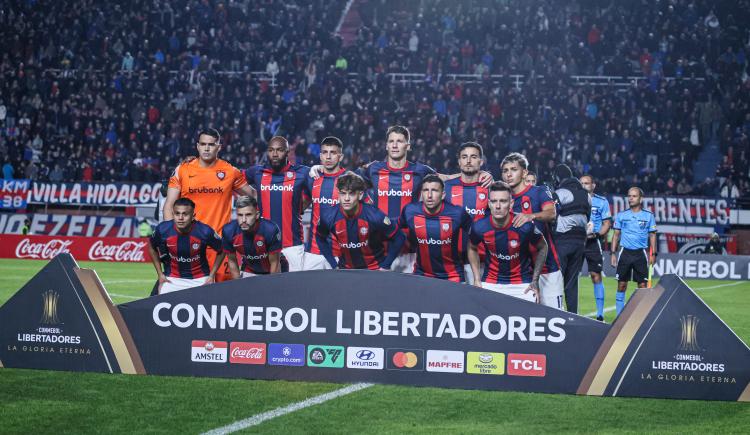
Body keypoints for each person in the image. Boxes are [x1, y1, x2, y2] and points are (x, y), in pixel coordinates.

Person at [164, 128, 255, 282]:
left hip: (219, 246)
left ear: (219, 147)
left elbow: (253, 196)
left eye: (211, 145)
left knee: (223, 298)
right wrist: (170, 238)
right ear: (197, 146)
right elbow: (168, 206)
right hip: (187, 243)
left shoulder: (230, 172)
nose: (206, 148)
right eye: (203, 144)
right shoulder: (182, 170)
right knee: (185, 296)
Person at [501, 152, 564, 309]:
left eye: (513, 169)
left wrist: (531, 216)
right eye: (505, 170)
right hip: (521, 271)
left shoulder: (539, 192)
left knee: (555, 318)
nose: (508, 174)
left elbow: (551, 213)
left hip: (548, 269)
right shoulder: (503, 200)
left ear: (524, 173)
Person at [467, 181, 548, 303]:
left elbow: (543, 247)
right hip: (490, 283)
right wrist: (477, 279)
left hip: (522, 285)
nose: (498, 206)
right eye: (494, 201)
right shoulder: (479, 227)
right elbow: (471, 247)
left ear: (511, 204)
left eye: (503, 201)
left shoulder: (524, 226)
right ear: (489, 203)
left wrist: (535, 280)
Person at [245, 136, 311, 272]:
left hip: (292, 246)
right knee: (263, 290)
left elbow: (318, 186)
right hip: (263, 245)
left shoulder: (302, 173)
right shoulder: (257, 172)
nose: (275, 154)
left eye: (279, 150)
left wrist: (301, 207)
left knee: (292, 289)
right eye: (271, 150)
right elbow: (232, 176)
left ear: (287, 152)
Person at [315, 172, 405, 270]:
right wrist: (333, 264)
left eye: (352, 194)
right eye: (343, 193)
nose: (346, 199)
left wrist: (385, 265)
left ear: (360, 195)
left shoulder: (374, 215)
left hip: (374, 269)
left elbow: (399, 237)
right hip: (345, 269)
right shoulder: (328, 216)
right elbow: (320, 237)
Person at [399, 175, 472, 282]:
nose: (429, 195)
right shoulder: (410, 211)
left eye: (434, 190)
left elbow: (475, 236)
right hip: (421, 274)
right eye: (425, 190)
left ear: (442, 195)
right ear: (421, 193)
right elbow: (395, 230)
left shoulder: (457, 213)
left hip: (453, 276)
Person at [148, 198, 224, 294]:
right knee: (159, 305)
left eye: (185, 214)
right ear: (173, 214)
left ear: (193, 216)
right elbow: (151, 246)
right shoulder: (163, 229)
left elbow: (222, 249)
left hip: (200, 279)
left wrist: (212, 275)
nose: (180, 218)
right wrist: (160, 274)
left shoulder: (205, 231)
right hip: (172, 279)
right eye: (177, 213)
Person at [444, 142, 490, 284]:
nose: (468, 161)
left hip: (480, 261)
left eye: (473, 157)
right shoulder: (446, 187)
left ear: (481, 162)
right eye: (464, 157)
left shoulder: (490, 189)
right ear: (459, 162)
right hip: (450, 262)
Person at [610, 187, 657, 316]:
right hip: (625, 253)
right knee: (622, 285)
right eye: (629, 196)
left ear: (641, 199)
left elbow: (652, 236)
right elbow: (615, 235)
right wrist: (613, 253)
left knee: (642, 287)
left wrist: (654, 254)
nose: (630, 198)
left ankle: (640, 317)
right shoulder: (622, 215)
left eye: (634, 196)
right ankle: (619, 317)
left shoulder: (648, 216)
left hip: (640, 254)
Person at [550, 164, 591, 314]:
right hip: (580, 242)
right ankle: (573, 315)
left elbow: (551, 216)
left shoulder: (560, 192)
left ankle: (556, 314)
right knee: (572, 283)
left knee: (555, 280)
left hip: (562, 240)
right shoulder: (587, 195)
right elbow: (588, 217)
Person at [302, 136, 347, 270]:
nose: (328, 157)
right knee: (309, 291)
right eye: (325, 152)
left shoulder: (349, 179)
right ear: (320, 156)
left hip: (340, 254)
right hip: (313, 254)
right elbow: (300, 207)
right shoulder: (312, 179)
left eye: (333, 153)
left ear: (341, 156)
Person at [221, 196, 281, 278]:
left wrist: (272, 286)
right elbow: (232, 260)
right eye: (240, 215)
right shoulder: (229, 231)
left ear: (257, 215)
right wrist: (237, 284)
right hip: (249, 270)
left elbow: (275, 263)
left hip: (273, 269)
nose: (244, 220)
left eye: (248, 215)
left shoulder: (270, 230)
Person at [580, 174, 612, 321]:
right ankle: (570, 312)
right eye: (581, 183)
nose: (583, 186)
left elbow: (607, 223)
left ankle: (600, 315)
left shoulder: (601, 202)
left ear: (593, 185)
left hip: (593, 242)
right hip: (576, 241)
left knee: (596, 276)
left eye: (586, 183)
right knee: (571, 277)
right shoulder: (575, 199)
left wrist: (598, 234)